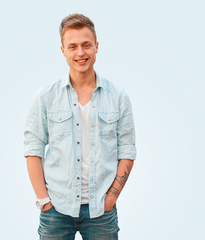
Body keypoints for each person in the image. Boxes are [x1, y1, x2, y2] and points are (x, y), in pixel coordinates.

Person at [23, 13, 137, 240]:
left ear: (96, 46)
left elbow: (127, 150)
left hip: (101, 212)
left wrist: (112, 197)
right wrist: (44, 201)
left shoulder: (118, 96)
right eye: (72, 46)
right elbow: (33, 149)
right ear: (63, 51)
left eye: (86, 45)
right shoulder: (46, 96)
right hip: (56, 209)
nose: (80, 53)